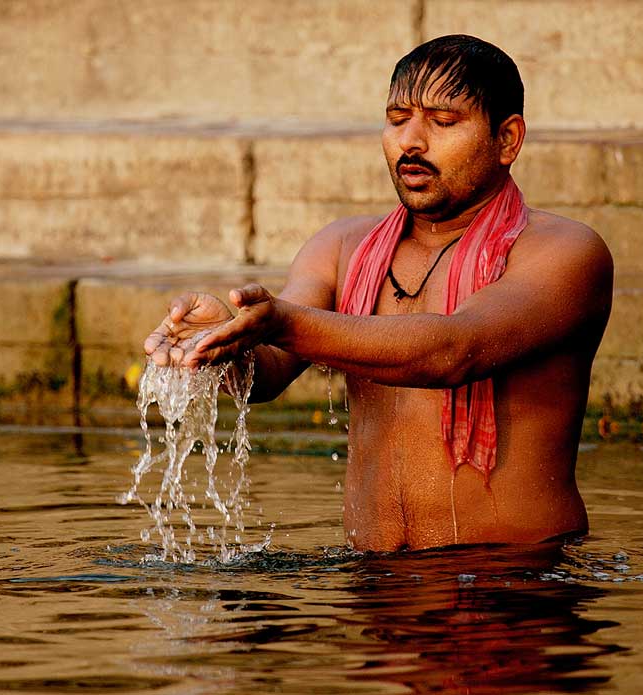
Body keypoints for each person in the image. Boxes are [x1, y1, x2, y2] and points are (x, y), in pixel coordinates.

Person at [143, 35, 614, 552]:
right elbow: (268, 371)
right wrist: (221, 343)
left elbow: (452, 351)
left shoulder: (565, 252)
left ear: (507, 139)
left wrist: (281, 321)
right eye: (397, 119)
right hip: (371, 585)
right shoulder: (342, 247)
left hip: (517, 582)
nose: (411, 141)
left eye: (443, 122)